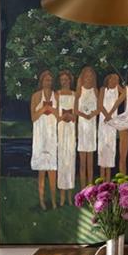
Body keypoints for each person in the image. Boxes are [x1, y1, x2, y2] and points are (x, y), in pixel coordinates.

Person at [30, 70, 58, 210]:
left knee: (52, 169)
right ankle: (41, 200)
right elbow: (33, 117)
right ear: (41, 81)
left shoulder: (56, 95)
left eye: (50, 80)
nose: (48, 82)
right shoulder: (36, 96)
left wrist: (51, 109)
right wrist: (44, 108)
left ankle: (53, 200)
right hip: (40, 136)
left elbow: (59, 116)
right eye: (46, 80)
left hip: (52, 135)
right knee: (41, 170)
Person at [76, 66, 98, 190]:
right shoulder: (80, 90)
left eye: (91, 76)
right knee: (82, 162)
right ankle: (83, 189)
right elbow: (75, 110)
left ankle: (90, 189)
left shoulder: (95, 90)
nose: (88, 78)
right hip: (82, 127)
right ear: (83, 77)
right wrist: (85, 115)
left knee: (90, 162)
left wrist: (93, 114)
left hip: (91, 127)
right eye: (86, 76)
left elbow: (99, 107)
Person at [56, 70, 76, 206]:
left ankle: (70, 196)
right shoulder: (57, 94)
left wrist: (72, 117)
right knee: (62, 159)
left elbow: (76, 114)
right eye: (62, 79)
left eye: (66, 79)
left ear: (70, 80)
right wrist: (63, 117)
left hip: (71, 128)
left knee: (71, 159)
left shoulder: (74, 94)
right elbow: (55, 114)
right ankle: (62, 197)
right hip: (61, 127)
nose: (64, 82)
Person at [97, 73, 122, 181]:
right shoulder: (103, 89)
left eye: (116, 79)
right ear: (108, 79)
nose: (114, 81)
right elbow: (100, 105)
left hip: (112, 120)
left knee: (111, 146)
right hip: (103, 120)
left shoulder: (117, 89)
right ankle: (102, 178)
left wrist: (110, 115)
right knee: (103, 146)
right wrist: (106, 115)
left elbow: (125, 94)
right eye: (112, 79)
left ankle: (108, 179)